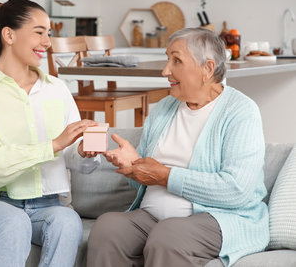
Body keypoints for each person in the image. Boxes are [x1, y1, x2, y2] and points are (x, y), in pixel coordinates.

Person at [87, 28, 269, 267]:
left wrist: (166, 176)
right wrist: (133, 166)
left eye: (176, 60)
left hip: (218, 219)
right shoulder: (164, 108)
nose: (165, 70)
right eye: (167, 59)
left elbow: (237, 190)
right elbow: (144, 181)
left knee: (169, 236)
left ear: (207, 68)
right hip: (152, 217)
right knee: (108, 227)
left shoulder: (241, 112)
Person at [0, 0, 101, 267]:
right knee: (14, 221)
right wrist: (55, 144)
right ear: (9, 35)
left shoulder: (56, 89)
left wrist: (82, 152)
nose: (47, 42)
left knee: (68, 221)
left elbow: (70, 154)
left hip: (47, 205)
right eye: (39, 32)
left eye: (49, 33)